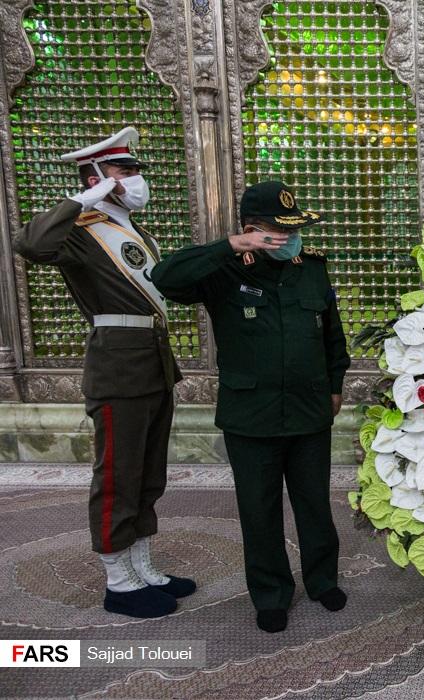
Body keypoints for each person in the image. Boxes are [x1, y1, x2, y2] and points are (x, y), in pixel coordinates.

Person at [150, 181, 350, 633]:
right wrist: (230, 246)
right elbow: (164, 277)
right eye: (279, 231)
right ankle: (271, 593)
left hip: (309, 410)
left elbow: (332, 336)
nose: (290, 238)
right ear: (252, 230)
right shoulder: (222, 271)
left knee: (315, 506)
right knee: (259, 511)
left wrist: (335, 385)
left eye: (293, 229)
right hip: (251, 416)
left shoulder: (311, 269)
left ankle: (322, 581)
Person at [13, 127, 196, 619]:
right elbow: (30, 244)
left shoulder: (134, 230)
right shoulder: (80, 230)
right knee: (117, 475)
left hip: (153, 364)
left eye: (136, 169)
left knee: (148, 474)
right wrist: (81, 201)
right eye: (124, 170)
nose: (135, 178)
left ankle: (142, 566)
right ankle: (118, 580)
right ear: (97, 178)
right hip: (118, 369)